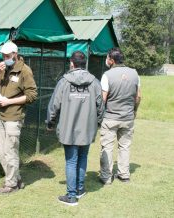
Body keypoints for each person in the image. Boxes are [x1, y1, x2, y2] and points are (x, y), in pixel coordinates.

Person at [47, 51, 104, 206]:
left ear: (72, 63)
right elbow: (101, 107)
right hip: (87, 129)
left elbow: (54, 105)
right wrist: (98, 123)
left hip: (69, 129)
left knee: (71, 161)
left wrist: (50, 122)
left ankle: (71, 196)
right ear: (84, 63)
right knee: (82, 157)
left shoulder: (64, 82)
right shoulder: (94, 82)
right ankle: (79, 189)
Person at [0, 41, 37, 194]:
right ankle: (16, 179)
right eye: (3, 56)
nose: (5, 58)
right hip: (2, 116)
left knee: (10, 151)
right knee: (0, 151)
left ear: (15, 54)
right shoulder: (3, 67)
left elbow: (32, 95)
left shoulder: (25, 71)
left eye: (7, 56)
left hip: (14, 117)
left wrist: (9, 101)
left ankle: (11, 185)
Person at [99, 47, 141, 185]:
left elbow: (103, 99)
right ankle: (124, 175)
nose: (106, 60)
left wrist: (98, 116)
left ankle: (106, 177)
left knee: (107, 147)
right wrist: (134, 111)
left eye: (107, 58)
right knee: (125, 147)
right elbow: (138, 96)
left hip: (110, 118)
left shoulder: (107, 75)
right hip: (128, 118)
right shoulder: (135, 74)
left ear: (111, 60)